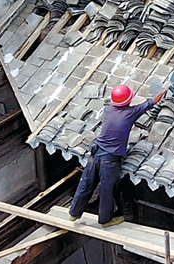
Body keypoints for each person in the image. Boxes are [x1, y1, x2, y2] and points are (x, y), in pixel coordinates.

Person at [69, 83, 167, 226]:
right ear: (129, 100)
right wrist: (164, 90)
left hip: (95, 154)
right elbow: (152, 102)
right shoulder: (130, 112)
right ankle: (105, 219)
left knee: (86, 183)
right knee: (107, 189)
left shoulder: (108, 110)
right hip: (110, 159)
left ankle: (74, 213)